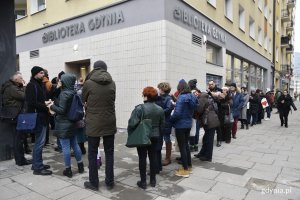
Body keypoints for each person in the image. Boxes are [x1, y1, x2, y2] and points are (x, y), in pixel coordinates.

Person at [82, 60, 116, 191]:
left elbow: (82, 100)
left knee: (92, 153)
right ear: (105, 69)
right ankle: (110, 181)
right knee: (110, 152)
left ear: (94, 69)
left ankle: (94, 183)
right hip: (109, 121)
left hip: (93, 122)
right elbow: (112, 100)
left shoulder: (88, 83)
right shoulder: (112, 83)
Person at [128, 87, 164, 189]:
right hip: (155, 136)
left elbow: (132, 123)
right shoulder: (160, 109)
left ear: (146, 96)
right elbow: (163, 124)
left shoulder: (139, 108)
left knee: (142, 158)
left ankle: (143, 182)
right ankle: (153, 180)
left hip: (142, 136)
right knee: (153, 158)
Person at [49, 73, 84, 178]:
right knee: (75, 144)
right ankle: (80, 166)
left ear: (65, 82)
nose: (60, 82)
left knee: (65, 147)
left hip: (64, 123)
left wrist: (52, 106)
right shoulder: (73, 92)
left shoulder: (65, 94)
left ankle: (68, 170)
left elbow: (62, 110)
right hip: (72, 123)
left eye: (61, 80)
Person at [26, 66, 52, 175]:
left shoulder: (38, 84)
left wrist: (47, 103)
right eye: (41, 73)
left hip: (42, 116)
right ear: (35, 74)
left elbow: (39, 101)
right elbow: (32, 103)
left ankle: (37, 163)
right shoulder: (31, 85)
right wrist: (46, 107)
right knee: (39, 143)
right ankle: (38, 167)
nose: (43, 75)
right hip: (38, 117)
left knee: (39, 142)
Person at [1, 72, 31, 166]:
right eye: (21, 78)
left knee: (19, 138)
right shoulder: (12, 88)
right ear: (16, 80)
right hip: (16, 115)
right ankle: (20, 160)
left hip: (15, 115)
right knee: (19, 139)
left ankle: (20, 159)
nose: (22, 80)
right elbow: (24, 96)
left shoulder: (11, 87)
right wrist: (25, 86)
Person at [170, 79, 198, 178]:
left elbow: (177, 113)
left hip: (180, 125)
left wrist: (171, 120)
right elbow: (195, 107)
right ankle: (189, 166)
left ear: (180, 88)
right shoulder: (192, 96)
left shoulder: (181, 97)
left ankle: (185, 170)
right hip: (188, 124)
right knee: (186, 145)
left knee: (182, 147)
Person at [194, 90, 220, 161]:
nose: (195, 94)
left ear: (199, 92)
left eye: (195, 93)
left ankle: (208, 157)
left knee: (209, 140)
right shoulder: (204, 97)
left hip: (210, 121)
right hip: (211, 120)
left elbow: (199, 110)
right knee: (206, 138)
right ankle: (202, 153)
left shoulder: (202, 98)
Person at [156, 82, 174, 167]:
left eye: (159, 88)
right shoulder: (159, 97)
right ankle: (160, 158)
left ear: (163, 89)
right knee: (160, 139)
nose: (158, 90)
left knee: (167, 139)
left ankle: (168, 158)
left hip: (166, 121)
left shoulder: (168, 98)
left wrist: (158, 112)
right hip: (160, 121)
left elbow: (169, 109)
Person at [207, 80, 222, 146]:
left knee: (218, 127)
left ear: (214, 84)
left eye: (212, 84)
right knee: (210, 126)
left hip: (218, 111)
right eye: (209, 84)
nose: (210, 85)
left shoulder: (219, 90)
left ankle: (219, 140)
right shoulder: (207, 91)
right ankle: (209, 139)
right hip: (210, 111)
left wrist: (210, 93)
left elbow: (218, 100)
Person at [188, 79, 201, 151]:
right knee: (197, 131)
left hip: (193, 114)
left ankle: (192, 146)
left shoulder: (192, 92)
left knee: (192, 131)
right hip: (198, 114)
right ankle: (196, 145)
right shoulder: (198, 91)